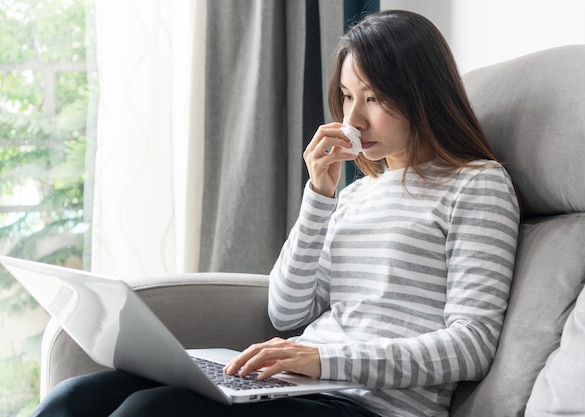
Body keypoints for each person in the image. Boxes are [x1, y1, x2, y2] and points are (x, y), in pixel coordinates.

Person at [32, 10, 519, 417]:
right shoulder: (354, 195)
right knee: (78, 398)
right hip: (299, 385)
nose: (352, 120)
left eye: (374, 98)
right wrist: (320, 194)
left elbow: (471, 345)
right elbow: (286, 312)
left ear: (422, 95)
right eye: (348, 96)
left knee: (151, 411)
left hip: (371, 407)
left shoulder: (477, 185)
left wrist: (323, 360)